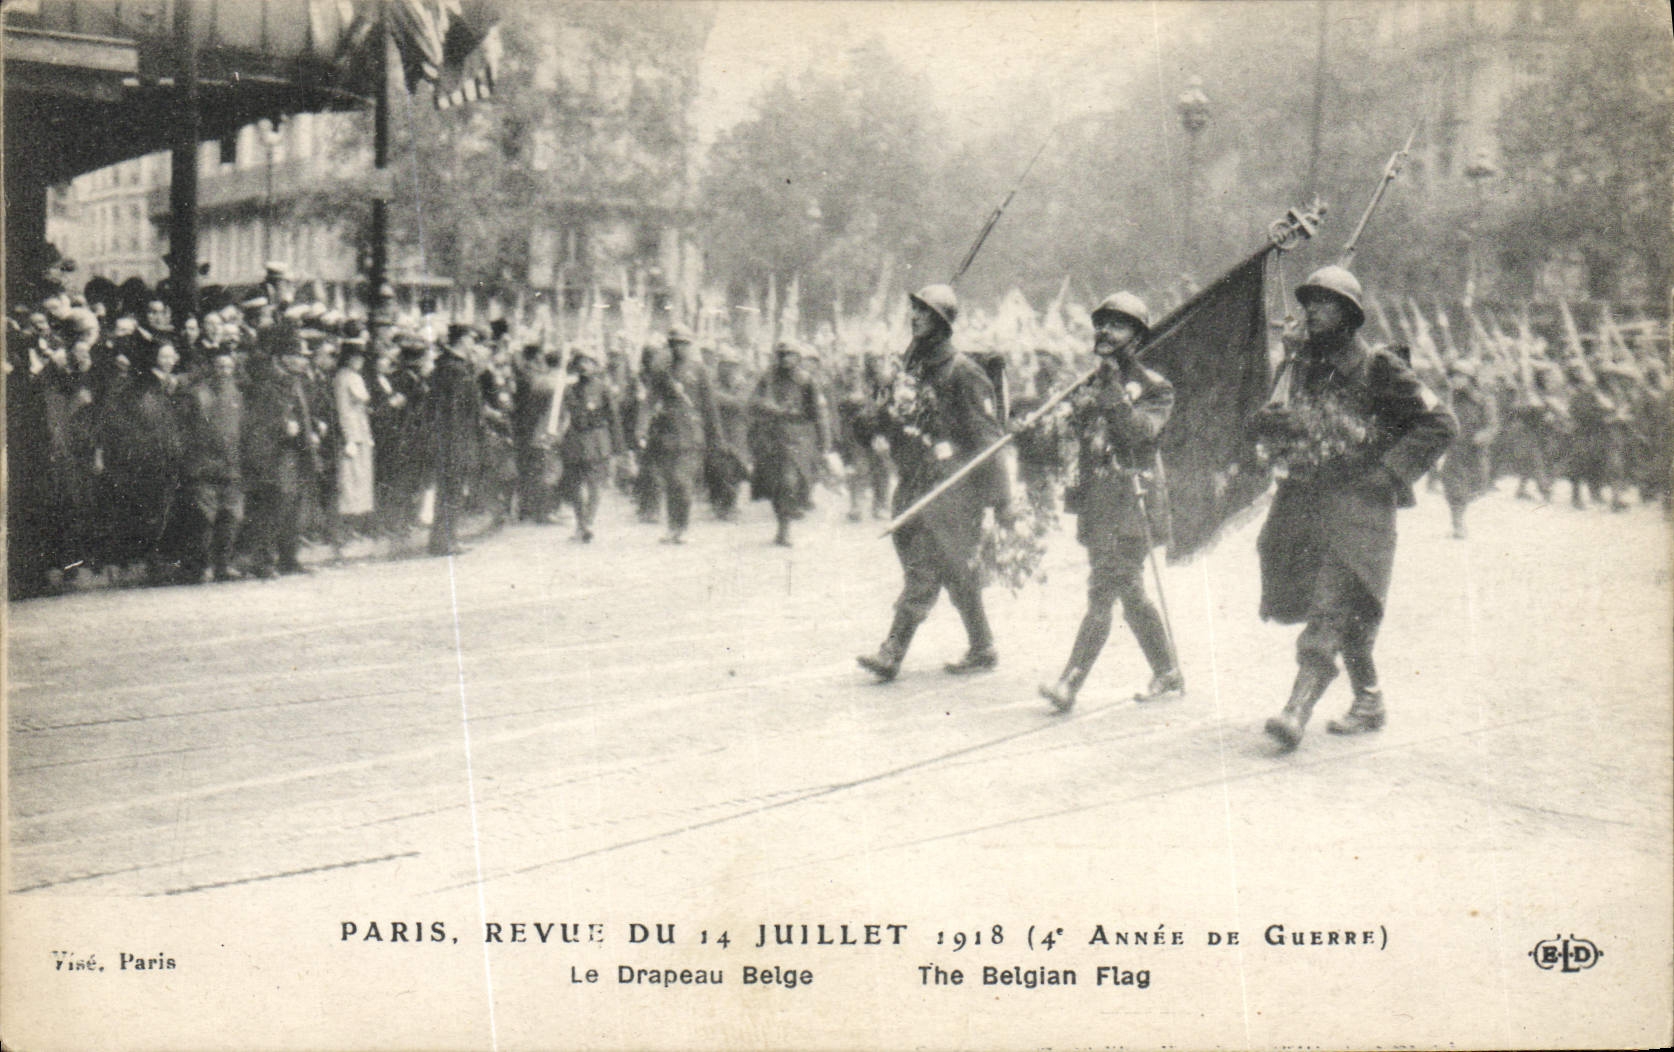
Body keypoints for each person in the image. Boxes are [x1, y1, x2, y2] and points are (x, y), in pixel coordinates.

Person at [1251, 266, 1456, 750]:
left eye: (1324, 303)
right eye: (1308, 303)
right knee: (1348, 612)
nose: (1311, 311)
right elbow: (1276, 424)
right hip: (1305, 503)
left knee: (1331, 606)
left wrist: (1388, 474)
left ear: (1349, 315)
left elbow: (1441, 423)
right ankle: (1369, 698)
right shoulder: (1301, 364)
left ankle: (1296, 710)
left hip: (1359, 510)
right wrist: (1278, 397)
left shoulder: (1380, 367)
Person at [857, 284, 1015, 680]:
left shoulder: (963, 372)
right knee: (954, 569)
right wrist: (876, 410)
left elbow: (988, 438)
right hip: (914, 479)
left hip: (953, 485)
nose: (914, 318)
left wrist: (1003, 499)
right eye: (913, 311)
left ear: (942, 324)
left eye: (924, 313)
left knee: (924, 565)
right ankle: (982, 645)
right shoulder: (910, 369)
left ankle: (892, 650)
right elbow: (890, 420)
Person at [1039, 292, 1183, 713]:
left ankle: (1070, 683)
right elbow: (1062, 437)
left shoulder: (1157, 389)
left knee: (1103, 591)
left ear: (1137, 337)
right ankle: (1168, 669)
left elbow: (1138, 434)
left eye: (1117, 325)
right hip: (1099, 504)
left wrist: (1112, 392)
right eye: (1101, 322)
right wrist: (1032, 426)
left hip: (1134, 505)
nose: (1104, 330)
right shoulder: (1086, 383)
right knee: (1130, 591)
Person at [242, 330, 321, 578]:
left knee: (293, 507)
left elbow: (303, 412)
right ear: (284, 358)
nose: (304, 360)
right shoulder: (268, 383)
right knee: (274, 508)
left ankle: (288, 558)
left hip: (295, 452)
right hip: (276, 455)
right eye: (299, 356)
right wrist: (282, 427)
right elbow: (257, 423)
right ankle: (263, 561)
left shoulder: (297, 381)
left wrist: (313, 427)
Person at [749, 340, 838, 546]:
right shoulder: (767, 378)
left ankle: (786, 527)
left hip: (798, 438)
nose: (786, 359)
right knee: (775, 484)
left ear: (798, 358)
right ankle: (782, 524)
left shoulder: (806, 380)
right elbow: (753, 402)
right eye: (782, 355)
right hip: (772, 437)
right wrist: (770, 407)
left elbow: (818, 413)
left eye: (790, 355)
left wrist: (825, 444)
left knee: (790, 482)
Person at [637, 325, 718, 544]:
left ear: (689, 345)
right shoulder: (662, 372)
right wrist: (641, 429)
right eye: (674, 344)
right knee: (672, 481)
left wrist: (716, 438)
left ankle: (681, 526)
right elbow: (649, 401)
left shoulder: (699, 370)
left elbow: (710, 406)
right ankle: (673, 527)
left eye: (683, 343)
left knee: (682, 482)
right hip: (667, 433)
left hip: (692, 433)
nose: (678, 348)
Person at [181, 346, 246, 581]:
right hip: (204, 465)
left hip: (231, 465)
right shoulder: (197, 393)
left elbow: (241, 429)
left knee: (231, 517)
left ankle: (223, 565)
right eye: (220, 366)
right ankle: (203, 566)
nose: (225, 371)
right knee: (204, 519)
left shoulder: (237, 394)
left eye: (229, 367)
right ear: (211, 368)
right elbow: (186, 430)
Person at [426, 324, 486, 556]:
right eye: (471, 339)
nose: (473, 344)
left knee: (449, 490)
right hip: (456, 438)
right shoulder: (456, 369)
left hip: (450, 437)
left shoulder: (446, 366)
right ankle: (446, 541)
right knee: (452, 490)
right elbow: (457, 409)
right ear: (461, 340)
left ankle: (444, 539)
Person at [556, 348, 625, 542]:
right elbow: (561, 416)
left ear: (595, 366)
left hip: (597, 441)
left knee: (594, 485)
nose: (584, 366)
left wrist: (618, 447)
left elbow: (613, 417)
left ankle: (588, 522)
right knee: (575, 486)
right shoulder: (568, 390)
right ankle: (581, 523)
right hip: (575, 442)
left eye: (589, 362)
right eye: (580, 362)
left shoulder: (603, 389)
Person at [1438, 358, 1499, 539]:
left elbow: (1492, 425)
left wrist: (1484, 436)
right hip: (1455, 448)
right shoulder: (1449, 398)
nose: (1456, 380)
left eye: (1461, 377)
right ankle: (1458, 522)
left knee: (1478, 486)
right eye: (1454, 377)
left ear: (1470, 379)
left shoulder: (1484, 399)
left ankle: (1460, 510)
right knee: (1454, 486)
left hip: (1475, 450)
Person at [334, 338, 377, 528]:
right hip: (352, 431)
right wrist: (348, 437)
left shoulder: (350, 376)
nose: (360, 361)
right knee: (351, 479)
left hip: (359, 429)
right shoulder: (347, 377)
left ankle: (356, 523)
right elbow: (344, 408)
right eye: (356, 357)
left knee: (359, 478)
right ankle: (348, 524)